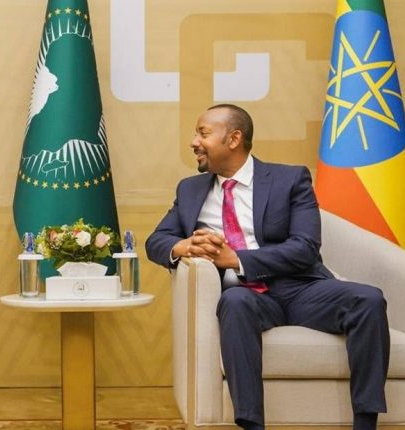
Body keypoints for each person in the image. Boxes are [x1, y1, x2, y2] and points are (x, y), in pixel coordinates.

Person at [145, 104, 389, 430]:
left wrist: (237, 260)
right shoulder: (190, 189)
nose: (194, 142)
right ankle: (251, 424)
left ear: (234, 139)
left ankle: (366, 422)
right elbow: (156, 241)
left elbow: (305, 247)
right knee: (234, 301)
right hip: (247, 296)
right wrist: (184, 246)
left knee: (369, 299)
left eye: (203, 133)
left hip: (301, 288)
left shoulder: (289, 179)